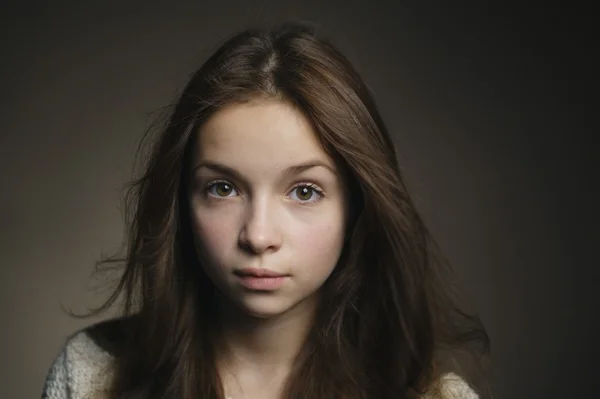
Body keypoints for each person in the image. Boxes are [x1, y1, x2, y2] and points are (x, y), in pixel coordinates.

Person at [42, 22, 490, 399]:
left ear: (357, 207)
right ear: (180, 202)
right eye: (222, 188)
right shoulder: (92, 377)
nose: (258, 236)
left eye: (304, 191)